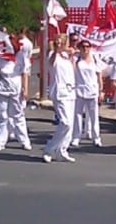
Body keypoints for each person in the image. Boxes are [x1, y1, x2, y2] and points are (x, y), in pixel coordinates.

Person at [0, 41, 32, 152]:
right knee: (1, 116)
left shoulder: (20, 55)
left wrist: (25, 89)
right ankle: (0, 141)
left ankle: (24, 141)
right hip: (1, 89)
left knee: (18, 115)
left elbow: (24, 73)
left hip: (16, 89)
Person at [43, 34, 77, 163]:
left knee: (70, 125)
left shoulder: (67, 57)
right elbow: (51, 60)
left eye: (63, 41)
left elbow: (72, 71)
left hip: (70, 91)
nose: (61, 43)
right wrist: (57, 48)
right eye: (59, 41)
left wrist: (72, 55)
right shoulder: (53, 54)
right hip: (59, 92)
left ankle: (62, 150)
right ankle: (49, 149)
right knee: (65, 122)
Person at [71, 40, 104, 148]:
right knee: (78, 115)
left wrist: (101, 91)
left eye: (88, 46)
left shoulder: (95, 58)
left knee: (94, 116)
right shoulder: (76, 58)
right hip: (79, 90)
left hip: (93, 90)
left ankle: (96, 138)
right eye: (83, 47)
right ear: (79, 48)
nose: (85, 49)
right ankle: (76, 137)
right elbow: (72, 70)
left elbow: (99, 76)